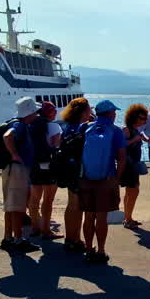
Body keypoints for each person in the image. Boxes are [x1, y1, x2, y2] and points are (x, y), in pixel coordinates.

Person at [78, 100, 126, 263]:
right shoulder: (116, 131)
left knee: (88, 216)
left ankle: (89, 249)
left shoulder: (84, 128)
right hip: (106, 178)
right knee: (101, 217)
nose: (115, 114)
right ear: (111, 113)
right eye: (114, 112)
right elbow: (121, 158)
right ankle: (101, 251)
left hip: (86, 178)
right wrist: (116, 178)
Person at [0, 97, 40, 252]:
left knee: (10, 206)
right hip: (17, 170)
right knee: (18, 207)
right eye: (35, 112)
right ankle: (18, 239)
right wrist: (15, 154)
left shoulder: (13, 122)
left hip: (10, 168)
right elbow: (7, 136)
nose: (37, 115)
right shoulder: (20, 125)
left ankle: (8, 238)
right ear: (30, 112)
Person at [59, 97, 92, 253]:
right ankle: (76, 239)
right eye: (89, 109)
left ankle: (69, 238)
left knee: (71, 204)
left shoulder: (67, 127)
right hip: (79, 169)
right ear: (84, 111)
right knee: (78, 206)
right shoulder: (84, 128)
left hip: (67, 168)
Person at [28, 101, 63, 238]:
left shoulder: (32, 125)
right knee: (48, 200)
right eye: (54, 111)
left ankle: (35, 228)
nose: (55, 113)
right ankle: (46, 230)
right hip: (49, 165)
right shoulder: (54, 126)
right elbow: (56, 145)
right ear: (49, 112)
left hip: (34, 165)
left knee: (34, 198)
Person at [120, 103, 149, 229]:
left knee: (131, 192)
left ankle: (128, 217)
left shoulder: (136, 130)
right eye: (142, 118)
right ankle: (127, 219)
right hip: (128, 165)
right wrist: (135, 139)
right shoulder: (126, 130)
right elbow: (122, 146)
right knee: (133, 191)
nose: (144, 120)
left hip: (133, 165)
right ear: (134, 117)